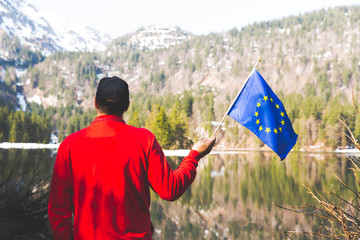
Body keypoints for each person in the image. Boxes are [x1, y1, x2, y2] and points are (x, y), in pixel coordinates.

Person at [48, 76, 216, 240]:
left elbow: (58, 211)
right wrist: (194, 155)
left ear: (95, 103)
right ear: (127, 106)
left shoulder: (69, 145)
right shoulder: (144, 140)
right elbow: (169, 189)